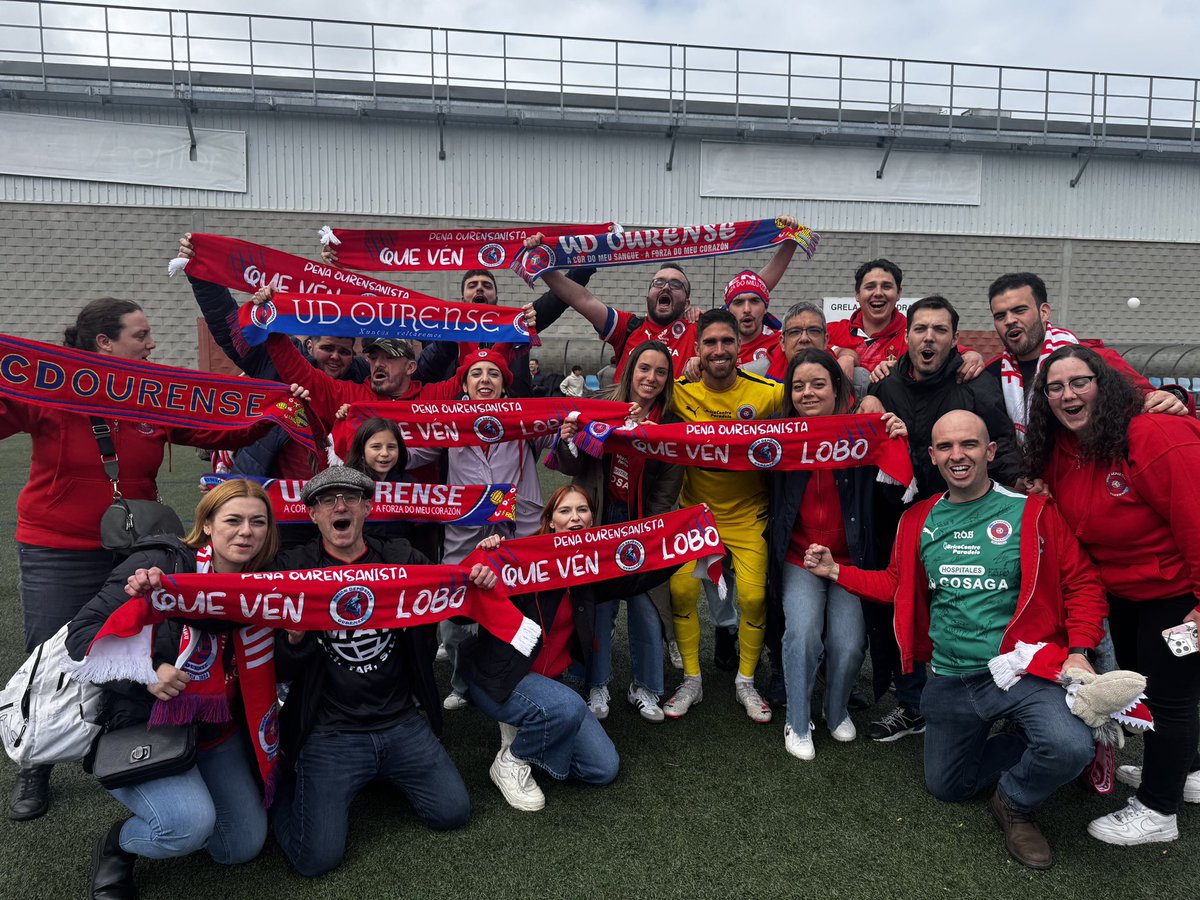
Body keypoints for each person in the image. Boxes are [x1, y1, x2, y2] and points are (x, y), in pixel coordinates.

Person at [805, 410, 1105, 870]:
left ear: (989, 452)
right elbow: (896, 585)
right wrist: (835, 571)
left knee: (1069, 746)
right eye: (945, 447)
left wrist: (1081, 652)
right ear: (933, 456)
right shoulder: (918, 519)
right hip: (949, 678)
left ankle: (1015, 804)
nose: (956, 455)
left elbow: (1082, 585)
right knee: (948, 787)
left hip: (1021, 671)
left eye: (968, 445)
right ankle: (1027, 741)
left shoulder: (1033, 512)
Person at [3, 298, 261, 822]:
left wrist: (271, 413)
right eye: (141, 335)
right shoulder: (50, 387)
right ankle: (35, 760)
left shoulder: (150, 393)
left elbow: (214, 429)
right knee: (50, 654)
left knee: (142, 639)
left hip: (135, 547)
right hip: (57, 547)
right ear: (105, 342)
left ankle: (130, 742)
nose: (151, 344)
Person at [270, 466, 488, 876]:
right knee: (316, 859)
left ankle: (379, 772)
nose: (340, 506)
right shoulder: (292, 570)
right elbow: (275, 665)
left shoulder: (404, 559)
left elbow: (454, 606)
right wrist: (295, 638)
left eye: (350, 498)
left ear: (367, 508)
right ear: (313, 514)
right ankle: (286, 788)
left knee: (452, 812)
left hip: (400, 721)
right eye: (327, 500)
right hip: (331, 731)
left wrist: (478, 576)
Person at [66, 480, 279, 898]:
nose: (246, 532)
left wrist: (293, 637)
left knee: (240, 847)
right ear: (207, 523)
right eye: (233, 520)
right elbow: (81, 635)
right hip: (148, 723)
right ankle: (118, 844)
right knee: (184, 828)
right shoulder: (162, 562)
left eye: (258, 522)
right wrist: (148, 670)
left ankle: (189, 796)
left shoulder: (267, 581)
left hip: (216, 729)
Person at [1024, 345, 1200, 845]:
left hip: (1176, 591)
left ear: (1105, 383)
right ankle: (1182, 772)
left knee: (1170, 699)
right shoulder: (1061, 448)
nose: (1067, 394)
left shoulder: (1152, 432)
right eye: (1054, 387)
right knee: (1150, 690)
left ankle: (1158, 811)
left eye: (1078, 382)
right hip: (1125, 591)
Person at [856, 295, 1021, 743]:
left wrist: (1017, 491)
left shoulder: (973, 382)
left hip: (966, 518)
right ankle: (912, 705)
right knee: (902, 608)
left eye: (939, 330)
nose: (928, 338)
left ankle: (993, 698)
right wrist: (867, 401)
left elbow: (1001, 445)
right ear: (905, 336)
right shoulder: (885, 385)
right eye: (920, 329)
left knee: (970, 610)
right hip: (900, 518)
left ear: (954, 338)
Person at [766, 349, 907, 759]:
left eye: (817, 384)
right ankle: (797, 719)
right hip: (799, 556)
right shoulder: (777, 433)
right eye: (798, 386)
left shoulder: (862, 430)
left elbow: (896, 485)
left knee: (848, 644)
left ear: (837, 388)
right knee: (803, 632)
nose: (807, 393)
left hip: (849, 559)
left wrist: (896, 434)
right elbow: (723, 447)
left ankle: (835, 709)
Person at [405, 349, 551, 710]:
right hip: (465, 530)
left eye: (493, 374)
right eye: (476, 374)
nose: (485, 379)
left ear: (504, 387)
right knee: (456, 608)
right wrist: (363, 433)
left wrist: (571, 431)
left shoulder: (524, 421)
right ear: (465, 386)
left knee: (522, 604)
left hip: (520, 528)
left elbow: (560, 446)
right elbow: (410, 454)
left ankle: (519, 673)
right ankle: (461, 681)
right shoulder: (449, 425)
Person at [460, 485, 620, 812]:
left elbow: (641, 569)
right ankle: (512, 759)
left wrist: (689, 539)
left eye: (582, 510)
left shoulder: (593, 565)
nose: (575, 517)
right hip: (501, 678)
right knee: (570, 706)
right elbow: (462, 603)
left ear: (592, 518)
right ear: (550, 520)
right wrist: (485, 556)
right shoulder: (519, 557)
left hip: (549, 684)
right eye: (565, 511)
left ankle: (536, 726)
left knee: (603, 768)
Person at [662, 308, 784, 723]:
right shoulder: (679, 393)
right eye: (710, 342)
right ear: (697, 349)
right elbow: (631, 403)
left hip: (749, 514)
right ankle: (692, 680)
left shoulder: (767, 393)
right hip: (693, 514)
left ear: (739, 346)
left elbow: (819, 411)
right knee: (680, 593)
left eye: (727, 341)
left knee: (752, 597)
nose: (719, 350)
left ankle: (745, 682)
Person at [556, 340, 684, 722]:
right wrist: (568, 439)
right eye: (645, 368)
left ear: (668, 379)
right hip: (598, 517)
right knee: (598, 604)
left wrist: (651, 534)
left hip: (642, 524)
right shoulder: (599, 405)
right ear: (631, 369)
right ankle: (597, 683)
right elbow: (568, 465)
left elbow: (666, 493)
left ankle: (645, 687)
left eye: (661, 372)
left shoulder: (673, 424)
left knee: (647, 606)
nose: (651, 378)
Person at [178, 233, 369, 479]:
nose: (335, 357)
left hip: (334, 499)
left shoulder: (364, 381)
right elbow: (230, 330)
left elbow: (424, 367)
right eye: (328, 348)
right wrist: (202, 276)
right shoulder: (276, 362)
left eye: (344, 352)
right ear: (309, 346)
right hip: (270, 490)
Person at [529, 216, 803, 378]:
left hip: (676, 439)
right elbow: (581, 299)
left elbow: (753, 289)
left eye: (676, 285)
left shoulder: (702, 328)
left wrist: (789, 242)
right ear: (648, 292)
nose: (666, 287)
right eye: (659, 282)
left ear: (687, 300)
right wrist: (544, 264)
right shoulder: (628, 327)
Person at [984, 271, 1186, 441]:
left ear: (1044, 312)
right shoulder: (990, 374)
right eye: (1000, 316)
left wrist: (1176, 397)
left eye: (1019, 310)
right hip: (1025, 482)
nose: (1010, 321)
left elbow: (1149, 398)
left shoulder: (1096, 359)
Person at [827, 258, 983, 379]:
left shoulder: (913, 334)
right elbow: (804, 344)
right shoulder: (832, 331)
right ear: (857, 294)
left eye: (887, 286)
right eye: (870, 287)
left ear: (899, 293)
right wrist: (841, 353)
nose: (878, 293)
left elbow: (949, 349)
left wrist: (971, 356)